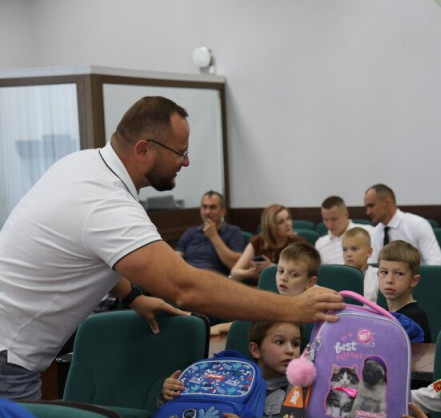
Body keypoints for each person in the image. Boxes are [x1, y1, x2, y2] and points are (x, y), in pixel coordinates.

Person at [0, 96, 344, 400]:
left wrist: (133, 296)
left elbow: (90, 253)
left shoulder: (83, 165)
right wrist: (292, 307)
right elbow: (186, 288)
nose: (186, 162)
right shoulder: (105, 201)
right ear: (143, 150)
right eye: (180, 152)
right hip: (8, 359)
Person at [161, 321, 303, 418]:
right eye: (279, 342)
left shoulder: (298, 391)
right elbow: (179, 413)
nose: (290, 350)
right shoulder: (228, 376)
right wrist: (168, 394)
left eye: (296, 344)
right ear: (256, 350)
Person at [211, 242, 320, 335]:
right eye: (281, 271)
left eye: (294, 275)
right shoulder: (278, 301)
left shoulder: (317, 305)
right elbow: (252, 321)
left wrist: (221, 327)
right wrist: (220, 327)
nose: (283, 278)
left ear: (310, 282)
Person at [364, 184, 441, 266]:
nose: (368, 212)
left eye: (371, 206)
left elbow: (437, 263)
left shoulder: (417, 225)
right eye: (366, 207)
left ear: (388, 202)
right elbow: (372, 267)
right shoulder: (374, 234)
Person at [230, 204, 305, 285]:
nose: (288, 224)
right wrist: (251, 272)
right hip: (258, 288)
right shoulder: (257, 241)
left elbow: (303, 272)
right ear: (271, 227)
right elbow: (234, 273)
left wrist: (272, 268)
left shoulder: (298, 243)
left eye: (288, 219)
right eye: (281, 222)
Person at [175, 190, 244, 275]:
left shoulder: (233, 232)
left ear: (223, 211)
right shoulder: (190, 232)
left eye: (213, 207)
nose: (207, 212)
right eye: (204, 207)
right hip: (189, 274)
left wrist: (213, 236)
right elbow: (176, 259)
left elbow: (234, 264)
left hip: (215, 277)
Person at [377, 240, 432, 342]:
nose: (389, 280)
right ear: (377, 275)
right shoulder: (384, 313)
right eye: (384, 272)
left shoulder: (413, 319)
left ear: (414, 280)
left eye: (399, 274)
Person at [315, 195, 373, 264]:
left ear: (346, 214)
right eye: (326, 220)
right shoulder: (320, 243)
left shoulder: (370, 232)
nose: (330, 224)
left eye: (334, 219)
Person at [342, 227, 378, 302]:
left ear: (369, 252)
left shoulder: (378, 276)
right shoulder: (337, 276)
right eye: (345, 250)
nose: (348, 254)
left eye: (354, 249)